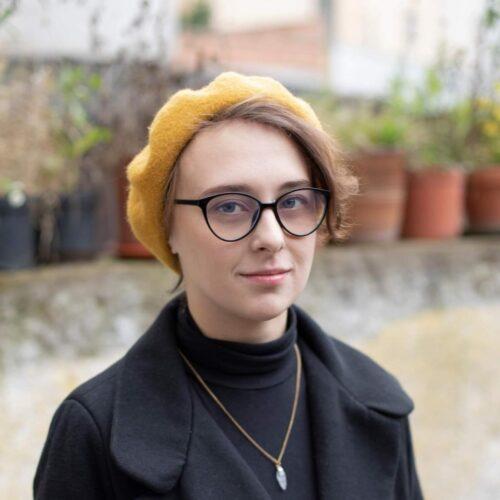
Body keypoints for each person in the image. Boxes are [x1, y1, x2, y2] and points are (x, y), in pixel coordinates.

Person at [33, 71, 424, 499]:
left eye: (294, 201)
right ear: (169, 228)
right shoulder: (96, 432)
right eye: (230, 206)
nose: (272, 237)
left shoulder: (379, 406)